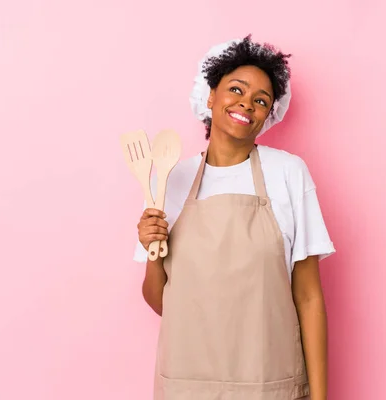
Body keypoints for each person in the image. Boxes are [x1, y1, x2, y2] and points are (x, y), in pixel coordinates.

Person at [133, 35, 336, 400]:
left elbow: (308, 297)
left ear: (268, 114)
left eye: (261, 100)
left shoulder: (288, 173)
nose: (248, 103)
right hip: (187, 384)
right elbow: (162, 301)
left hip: (267, 383)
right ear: (211, 96)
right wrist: (152, 249)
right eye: (236, 89)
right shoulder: (169, 180)